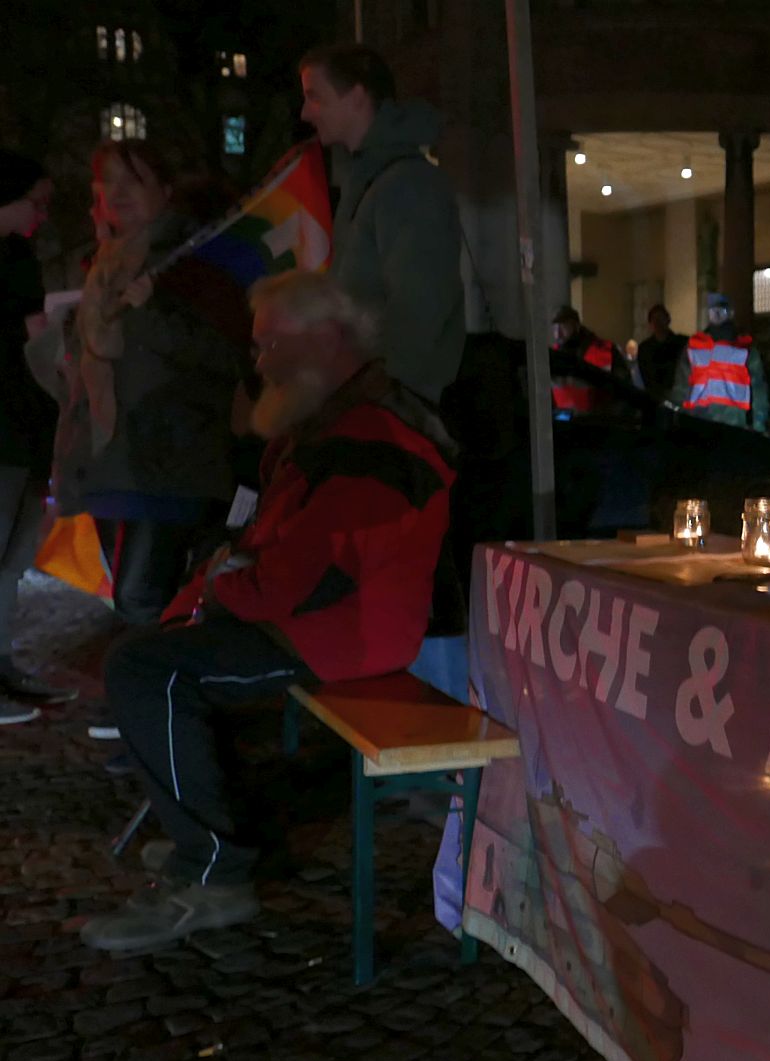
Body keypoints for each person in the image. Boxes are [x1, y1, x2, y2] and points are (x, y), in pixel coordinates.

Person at [79, 271, 455, 952]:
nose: (259, 361)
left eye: (269, 343)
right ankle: (216, 837)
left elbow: (303, 580)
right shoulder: (329, 423)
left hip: (337, 637)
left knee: (147, 672)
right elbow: (269, 547)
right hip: (307, 622)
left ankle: (215, 872)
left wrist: (221, 593)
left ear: (325, 340)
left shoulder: (367, 438)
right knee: (153, 658)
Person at [54, 141, 252, 631]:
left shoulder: (197, 262)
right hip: (107, 459)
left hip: (166, 460)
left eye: (133, 180)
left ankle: (151, 698)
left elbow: (227, 356)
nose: (117, 193)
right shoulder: (99, 263)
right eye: (106, 182)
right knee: (140, 598)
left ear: (165, 192)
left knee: (140, 597)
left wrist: (152, 311)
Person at [299, 43, 463, 404]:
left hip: (393, 415)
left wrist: (379, 393)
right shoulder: (369, 181)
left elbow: (420, 308)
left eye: (315, 97)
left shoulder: (408, 185)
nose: (305, 113)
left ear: (357, 97)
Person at [0, 150, 72, 724]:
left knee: (11, 556)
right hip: (13, 422)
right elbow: (37, 339)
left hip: (22, 424)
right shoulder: (16, 258)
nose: (42, 215)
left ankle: (3, 662)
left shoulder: (18, 255)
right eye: (37, 202)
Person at [671, 293, 769, 431]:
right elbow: (681, 387)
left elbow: (758, 389)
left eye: (721, 311)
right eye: (712, 311)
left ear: (730, 313)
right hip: (699, 425)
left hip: (734, 424)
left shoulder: (744, 348)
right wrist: (675, 419)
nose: (716, 314)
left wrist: (759, 425)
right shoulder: (694, 347)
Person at [549, 304, 621, 412]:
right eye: (555, 328)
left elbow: (622, 390)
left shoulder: (603, 350)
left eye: (563, 327)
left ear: (576, 326)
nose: (557, 334)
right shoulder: (553, 354)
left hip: (598, 422)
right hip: (562, 423)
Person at [629, 303, 684, 395]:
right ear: (650, 323)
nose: (658, 322)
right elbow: (643, 377)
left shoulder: (681, 343)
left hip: (677, 395)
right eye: (654, 319)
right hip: (653, 397)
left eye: (661, 318)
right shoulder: (644, 348)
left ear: (668, 320)